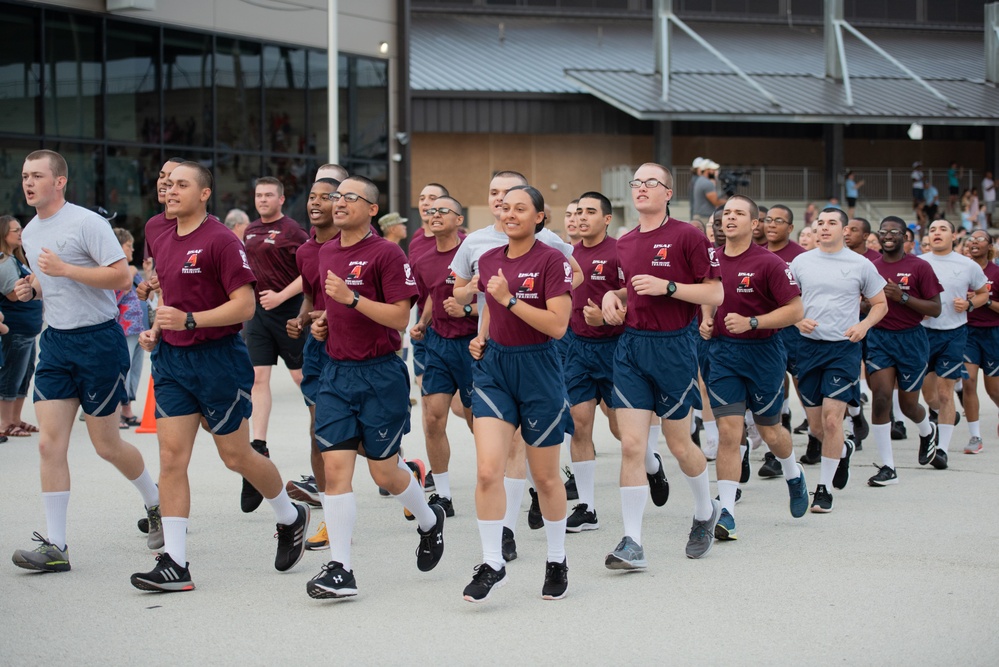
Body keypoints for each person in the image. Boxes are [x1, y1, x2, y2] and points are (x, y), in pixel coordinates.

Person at [130, 161, 309, 592]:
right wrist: (158, 326)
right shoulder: (156, 228)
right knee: (172, 459)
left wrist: (189, 319)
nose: (170, 191)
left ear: (205, 193)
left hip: (218, 359)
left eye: (181, 185)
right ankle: (175, 561)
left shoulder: (222, 241)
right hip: (172, 361)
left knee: (237, 457)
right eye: (168, 185)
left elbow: (244, 307)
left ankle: (290, 515)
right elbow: (169, 290)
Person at [11, 149, 162, 573]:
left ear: (59, 181)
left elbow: (120, 275)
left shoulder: (87, 223)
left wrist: (64, 270)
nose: (28, 182)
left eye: (37, 175)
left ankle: (155, 502)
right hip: (56, 343)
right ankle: (56, 545)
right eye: (25, 176)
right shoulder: (28, 232)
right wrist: (32, 288)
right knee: (48, 443)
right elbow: (48, 279)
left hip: (98, 340)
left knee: (106, 445)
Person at [305, 175, 445, 600]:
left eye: (350, 197)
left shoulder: (386, 253)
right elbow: (333, 309)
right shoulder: (326, 251)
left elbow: (400, 318)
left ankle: (428, 519)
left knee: (383, 470)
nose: (339, 202)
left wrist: (350, 300)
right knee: (335, 470)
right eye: (336, 196)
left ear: (371, 209)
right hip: (336, 373)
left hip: (380, 374)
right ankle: (341, 568)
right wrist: (323, 323)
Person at [452, 170, 581, 562]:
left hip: (539, 365)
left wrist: (510, 301)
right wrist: (483, 334)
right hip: (494, 368)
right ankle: (492, 561)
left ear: (540, 217)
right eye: (505, 207)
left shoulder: (552, 260)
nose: (509, 214)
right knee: (488, 471)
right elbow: (486, 302)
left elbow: (557, 326)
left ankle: (557, 559)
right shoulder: (487, 257)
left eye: (520, 208)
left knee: (543, 477)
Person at [601, 162, 723, 568]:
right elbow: (631, 286)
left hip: (674, 347)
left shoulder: (687, 235)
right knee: (633, 445)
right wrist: (611, 298)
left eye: (651, 183)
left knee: (678, 443)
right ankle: (631, 542)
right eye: (636, 183)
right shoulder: (625, 240)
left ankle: (706, 511)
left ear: (668, 192)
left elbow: (716, 292)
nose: (641, 188)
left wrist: (668, 287)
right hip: (632, 347)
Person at [699, 195, 807, 540]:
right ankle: (727, 511)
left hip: (763, 353)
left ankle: (793, 473)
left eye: (739, 214)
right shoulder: (709, 259)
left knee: (770, 430)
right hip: (722, 354)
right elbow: (704, 293)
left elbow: (795, 311)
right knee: (730, 433)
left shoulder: (770, 263)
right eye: (726, 213)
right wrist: (705, 319)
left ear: (754, 223)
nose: (729, 218)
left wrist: (754, 322)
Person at [789, 207, 888, 513]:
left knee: (833, 420)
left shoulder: (860, 264)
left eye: (832, 223)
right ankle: (843, 449)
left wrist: (863, 325)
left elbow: (880, 304)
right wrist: (796, 321)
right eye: (820, 223)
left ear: (844, 230)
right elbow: (786, 302)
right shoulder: (800, 262)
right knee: (817, 428)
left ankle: (824, 488)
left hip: (843, 349)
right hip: (808, 348)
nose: (824, 227)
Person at [241, 176, 309, 512]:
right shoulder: (250, 230)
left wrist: (281, 295)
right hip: (258, 317)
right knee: (258, 378)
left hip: (289, 314)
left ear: (281, 199)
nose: (263, 199)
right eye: (259, 195)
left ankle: (325, 429)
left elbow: (309, 270)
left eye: (269, 195)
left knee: (301, 378)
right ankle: (259, 444)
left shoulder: (293, 230)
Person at [409, 196, 477, 518]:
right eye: (431, 211)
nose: (435, 215)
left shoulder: (475, 252)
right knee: (433, 418)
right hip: (437, 345)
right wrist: (422, 324)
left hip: (473, 345)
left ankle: (498, 479)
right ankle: (444, 496)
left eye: (443, 211)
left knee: (480, 421)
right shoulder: (422, 259)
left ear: (459, 219)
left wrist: (466, 309)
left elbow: (493, 301)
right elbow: (432, 299)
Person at [864, 216, 943, 486]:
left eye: (894, 231)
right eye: (883, 231)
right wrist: (866, 306)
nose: (888, 235)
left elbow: (935, 309)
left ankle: (927, 429)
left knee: (909, 405)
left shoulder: (920, 266)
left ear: (905, 237)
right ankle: (888, 467)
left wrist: (903, 297)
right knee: (882, 398)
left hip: (912, 340)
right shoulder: (870, 267)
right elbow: (862, 305)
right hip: (879, 338)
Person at [284, 177, 341, 550]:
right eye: (312, 197)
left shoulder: (354, 248)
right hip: (317, 350)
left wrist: (323, 314)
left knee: (363, 444)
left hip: (355, 351)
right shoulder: (305, 251)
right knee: (319, 433)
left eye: (326, 197)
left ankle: (406, 475)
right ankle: (329, 518)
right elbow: (309, 295)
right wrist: (301, 318)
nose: (315, 203)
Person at [562, 191, 623, 533]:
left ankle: (651, 464)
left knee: (621, 429)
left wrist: (608, 318)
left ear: (607, 218)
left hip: (615, 350)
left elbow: (638, 306)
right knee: (580, 423)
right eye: (578, 211)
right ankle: (587, 507)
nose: (582, 217)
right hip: (578, 349)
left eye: (590, 212)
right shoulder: (566, 255)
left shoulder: (620, 252)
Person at [918, 219, 989, 468]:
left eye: (943, 229)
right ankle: (938, 419)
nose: (937, 233)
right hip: (924, 333)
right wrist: (919, 309)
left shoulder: (967, 265)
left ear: (954, 236)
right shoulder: (920, 262)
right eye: (932, 229)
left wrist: (969, 304)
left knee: (946, 391)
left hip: (955, 333)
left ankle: (942, 450)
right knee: (928, 394)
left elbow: (984, 294)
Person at [0, 215, 43, 437]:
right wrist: (28, 286)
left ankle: (15, 418)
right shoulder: (5, 262)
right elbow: (12, 295)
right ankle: (5, 422)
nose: (20, 233)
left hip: (28, 330)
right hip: (16, 329)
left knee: (24, 374)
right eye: (14, 230)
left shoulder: (18, 260)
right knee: (12, 375)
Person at [961, 230, 999, 453]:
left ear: (990, 246)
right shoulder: (962, 269)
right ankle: (975, 437)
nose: (974, 242)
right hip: (968, 333)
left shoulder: (996, 272)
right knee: (968, 381)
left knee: (993, 390)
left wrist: (983, 300)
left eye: (980, 239)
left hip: (993, 333)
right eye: (971, 240)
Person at [112, 228, 148, 428]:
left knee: (134, 370)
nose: (133, 250)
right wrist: (129, 273)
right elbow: (113, 296)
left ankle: (127, 410)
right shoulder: (115, 271)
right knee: (121, 370)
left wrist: (148, 274)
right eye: (128, 246)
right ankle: (115, 412)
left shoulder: (132, 271)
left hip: (138, 328)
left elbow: (147, 295)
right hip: (123, 328)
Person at [691, 159, 726, 224]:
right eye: (713, 170)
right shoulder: (707, 183)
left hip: (700, 216)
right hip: (704, 217)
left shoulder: (700, 180)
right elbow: (716, 202)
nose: (715, 172)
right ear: (707, 170)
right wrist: (728, 201)